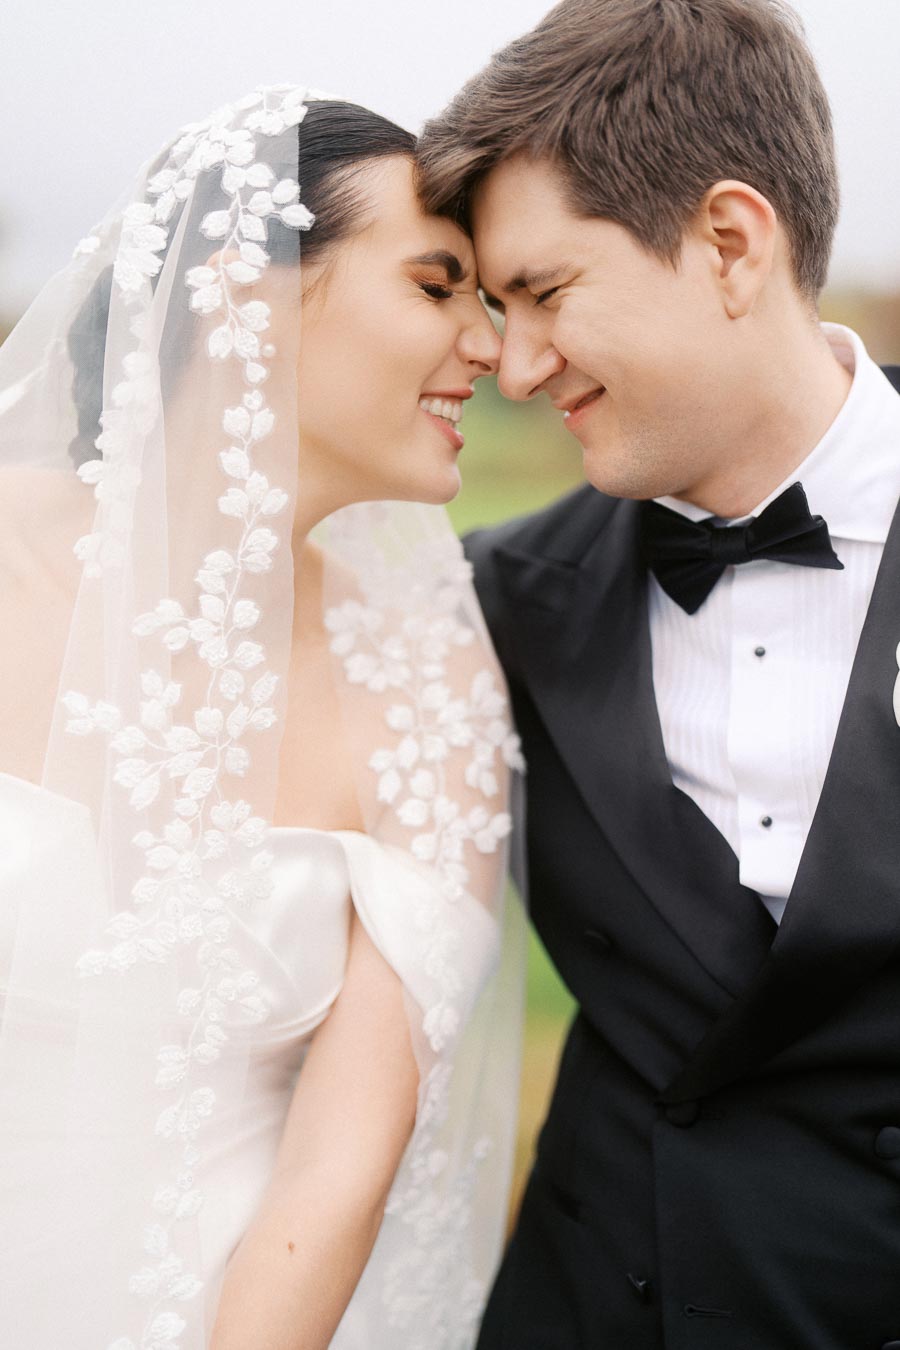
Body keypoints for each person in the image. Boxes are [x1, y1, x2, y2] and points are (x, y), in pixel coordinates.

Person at [0, 87, 526, 1350]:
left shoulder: (430, 685)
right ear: (248, 296)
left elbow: (340, 1167)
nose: (493, 350)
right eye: (437, 286)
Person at [417, 1, 900, 1346]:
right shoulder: (491, 601)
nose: (513, 366)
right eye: (495, 311)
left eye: (547, 294)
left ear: (730, 244)